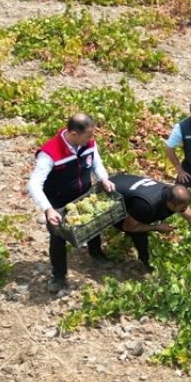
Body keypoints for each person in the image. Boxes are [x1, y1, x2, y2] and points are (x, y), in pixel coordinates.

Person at [28, 113, 116, 293]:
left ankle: (96, 253)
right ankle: (59, 275)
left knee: (93, 224)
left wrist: (104, 178)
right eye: (88, 135)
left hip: (83, 194)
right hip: (58, 201)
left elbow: (96, 163)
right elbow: (33, 184)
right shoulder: (50, 153)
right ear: (74, 134)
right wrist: (48, 209)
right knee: (58, 237)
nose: (92, 139)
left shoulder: (88, 143)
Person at [110, 174, 191, 269]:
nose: (185, 209)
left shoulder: (171, 193)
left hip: (121, 182)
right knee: (140, 234)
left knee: (142, 220)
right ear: (171, 205)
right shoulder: (147, 206)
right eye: (182, 208)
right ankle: (146, 263)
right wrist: (157, 227)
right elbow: (128, 227)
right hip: (109, 196)